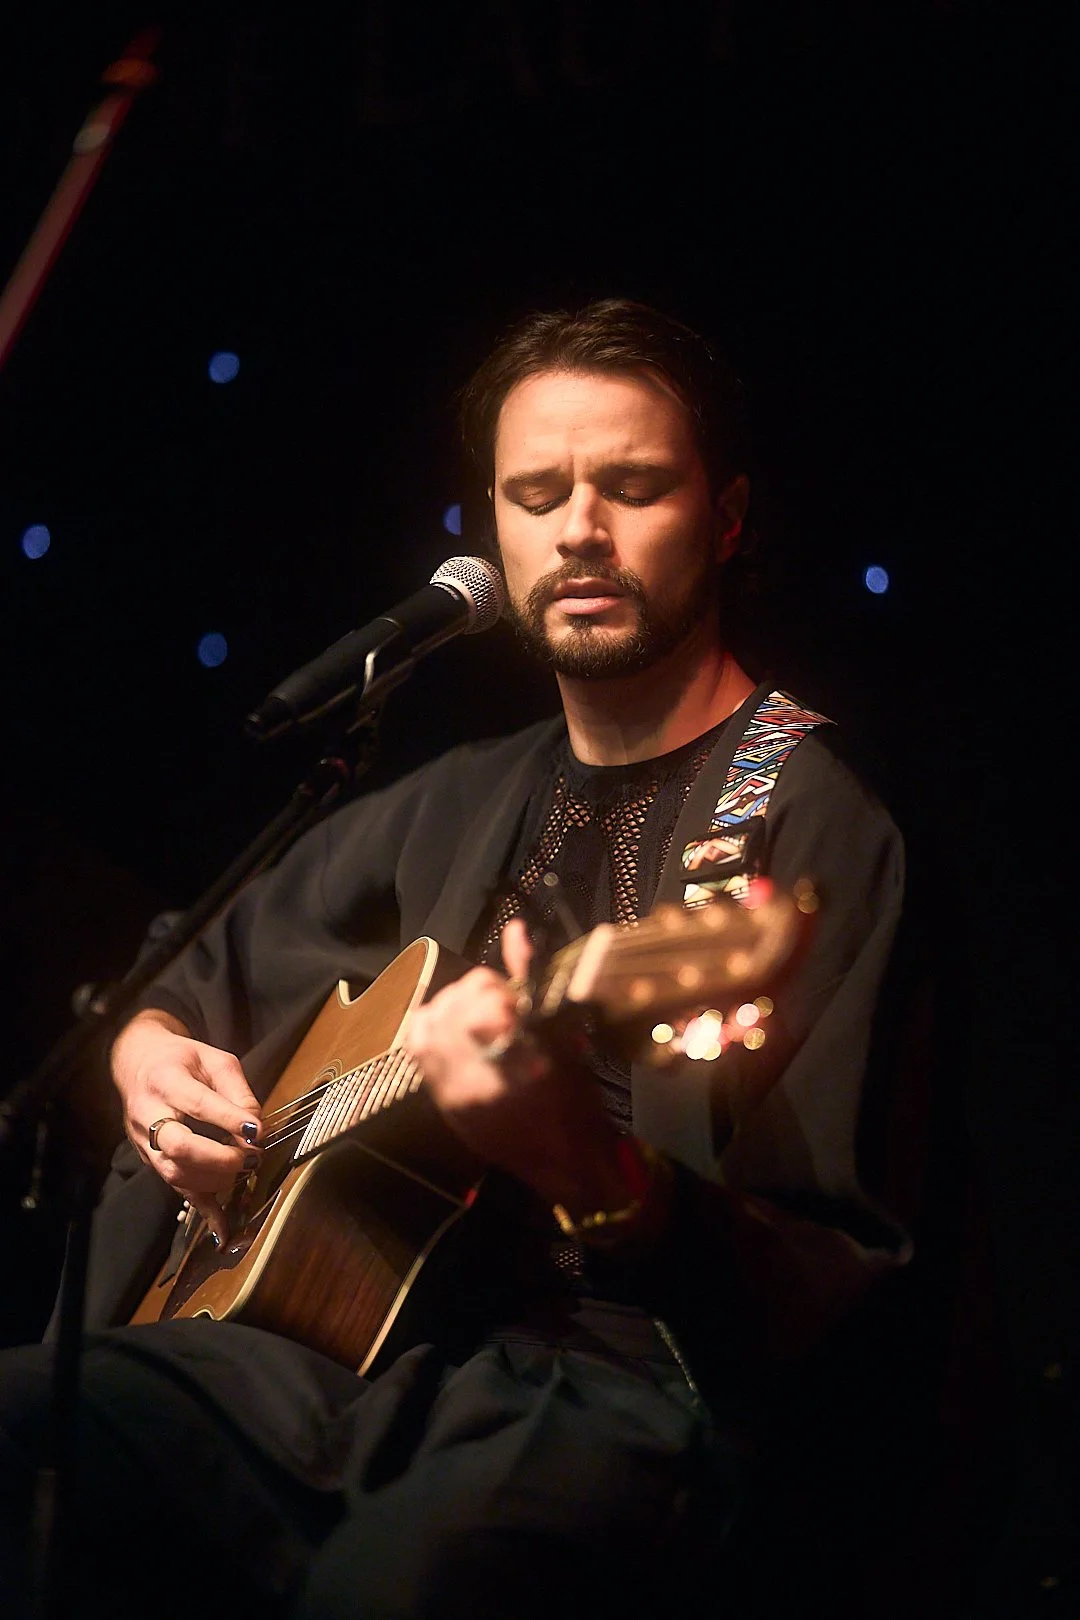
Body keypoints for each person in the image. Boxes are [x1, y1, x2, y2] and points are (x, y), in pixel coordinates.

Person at [0, 299, 907, 1618]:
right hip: (342, 1368)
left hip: (622, 1391)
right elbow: (184, 971)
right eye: (536, 493)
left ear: (725, 519)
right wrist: (147, 1057)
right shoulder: (453, 795)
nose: (577, 529)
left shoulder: (805, 817)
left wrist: (589, 1167)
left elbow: (847, 1284)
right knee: (28, 1419)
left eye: (633, 485)